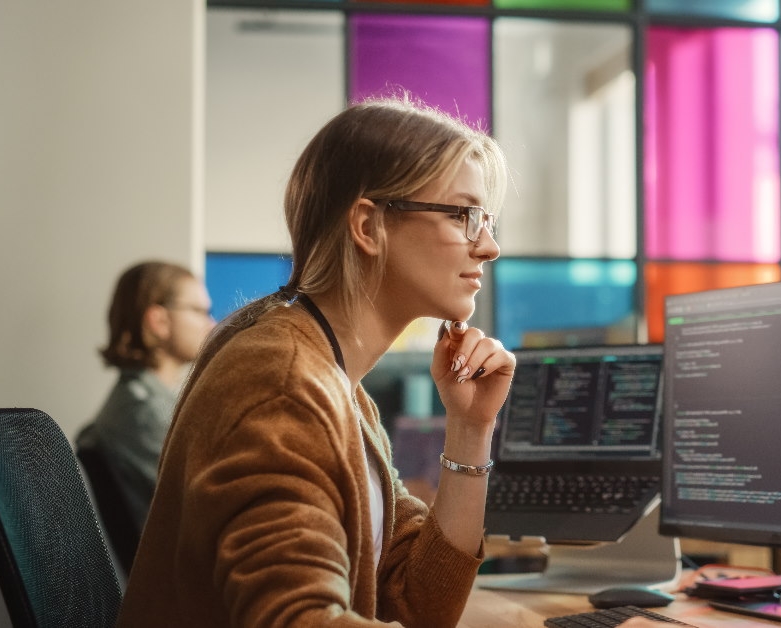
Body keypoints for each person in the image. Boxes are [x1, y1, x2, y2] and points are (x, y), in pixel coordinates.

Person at [117, 96, 523, 627]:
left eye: (487, 221)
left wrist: (470, 428)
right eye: (465, 215)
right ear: (367, 226)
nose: (489, 246)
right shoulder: (280, 379)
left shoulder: (337, 380)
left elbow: (417, 604)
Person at [76, 260, 215, 549]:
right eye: (200, 312)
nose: (211, 324)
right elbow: (209, 508)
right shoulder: (143, 413)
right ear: (159, 321)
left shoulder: (147, 403)